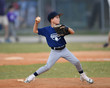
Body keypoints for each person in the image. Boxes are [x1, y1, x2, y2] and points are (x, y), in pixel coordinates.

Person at [24, 12, 94, 84]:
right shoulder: (46, 30)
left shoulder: (60, 27)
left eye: (59, 17)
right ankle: (32, 76)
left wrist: (66, 28)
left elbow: (72, 32)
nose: (58, 19)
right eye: (56, 17)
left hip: (64, 50)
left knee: (76, 62)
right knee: (47, 67)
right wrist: (36, 23)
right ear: (51, 19)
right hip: (55, 52)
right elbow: (35, 30)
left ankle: (83, 76)